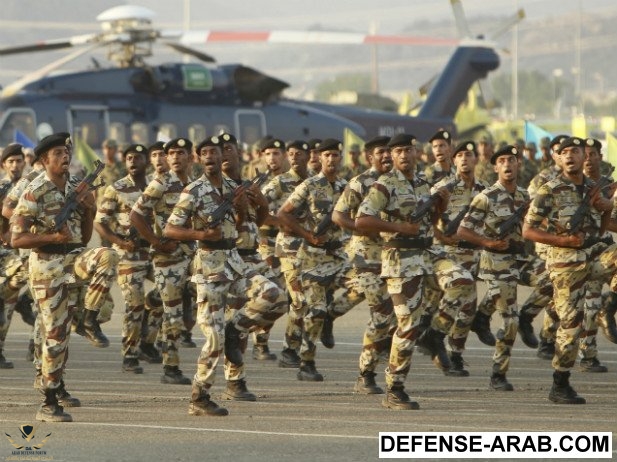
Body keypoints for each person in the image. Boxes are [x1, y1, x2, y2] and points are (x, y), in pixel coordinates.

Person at [164, 135, 284, 414]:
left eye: (214, 152)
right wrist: (201, 234)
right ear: (198, 158)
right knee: (213, 340)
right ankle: (199, 396)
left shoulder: (233, 188)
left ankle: (235, 330)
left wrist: (244, 210)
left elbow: (248, 223)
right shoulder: (193, 191)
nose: (209, 156)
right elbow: (170, 229)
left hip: (235, 262)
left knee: (274, 296)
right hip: (209, 268)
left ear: (222, 157)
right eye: (204, 152)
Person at [11, 133, 118, 422]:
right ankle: (48, 400)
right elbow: (17, 238)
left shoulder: (76, 187)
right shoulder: (34, 191)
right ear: (44, 160)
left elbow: (84, 237)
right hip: (46, 267)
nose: (65, 156)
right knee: (56, 336)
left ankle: (89, 319)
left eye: (66, 152)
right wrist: (52, 237)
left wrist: (89, 209)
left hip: (73, 258)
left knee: (107, 256)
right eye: (57, 153)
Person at [356, 133, 449, 410]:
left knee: (460, 285)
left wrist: (440, 207)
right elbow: (362, 219)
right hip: (399, 260)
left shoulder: (421, 184)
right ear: (392, 156)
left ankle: (433, 338)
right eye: (398, 151)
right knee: (407, 324)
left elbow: (429, 224)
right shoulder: (385, 184)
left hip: (424, 257)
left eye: (408, 150)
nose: (404, 155)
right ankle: (394, 388)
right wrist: (399, 228)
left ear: (416, 152)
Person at [523, 136, 617, 404]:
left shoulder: (593, 188)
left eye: (575, 151)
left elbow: (600, 229)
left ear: (584, 157)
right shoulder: (549, 190)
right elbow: (528, 230)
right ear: (559, 159)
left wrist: (606, 209)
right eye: (565, 152)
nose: (570, 156)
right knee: (572, 324)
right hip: (565, 263)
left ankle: (609, 306)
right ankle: (560, 382)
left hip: (593, 253)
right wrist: (563, 241)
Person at [277, 138, 360, 382]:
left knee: (365, 285)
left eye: (335, 155)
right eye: (327, 155)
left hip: (339, 256)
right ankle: (307, 362)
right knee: (315, 310)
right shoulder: (310, 185)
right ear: (320, 158)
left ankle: (332, 316)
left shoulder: (347, 187)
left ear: (340, 158)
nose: (331, 159)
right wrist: (307, 235)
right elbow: (283, 213)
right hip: (312, 259)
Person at [457, 145, 532, 391]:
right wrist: (488, 242)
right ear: (496, 167)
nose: (507, 164)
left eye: (511, 160)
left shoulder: (525, 196)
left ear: (518, 164)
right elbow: (463, 230)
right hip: (496, 263)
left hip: (520, 260)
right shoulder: (486, 197)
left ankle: (485, 315)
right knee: (510, 320)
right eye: (502, 161)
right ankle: (498, 374)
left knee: (552, 280)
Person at [130, 137, 196, 385]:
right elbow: (136, 215)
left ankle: (153, 300)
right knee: (173, 315)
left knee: (197, 302)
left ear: (191, 157)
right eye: (171, 153)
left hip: (192, 256)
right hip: (167, 258)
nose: (175, 157)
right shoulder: (161, 183)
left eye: (181, 153)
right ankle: (171, 367)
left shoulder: (196, 184)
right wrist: (156, 242)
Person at [332, 135, 394, 393]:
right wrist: (362, 229)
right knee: (382, 313)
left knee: (398, 314)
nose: (386, 156)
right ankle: (365, 374)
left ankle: (328, 314)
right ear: (370, 157)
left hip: (395, 257)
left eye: (389, 151)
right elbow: (338, 215)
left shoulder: (400, 182)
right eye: (381, 152)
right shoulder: (360, 182)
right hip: (366, 256)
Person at [94, 144, 164, 374]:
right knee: (134, 304)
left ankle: (147, 342)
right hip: (128, 254)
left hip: (154, 251)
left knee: (167, 292)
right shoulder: (116, 188)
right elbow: (100, 223)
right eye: (129, 158)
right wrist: (120, 242)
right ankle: (130, 354)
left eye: (138, 157)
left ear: (147, 161)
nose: (133, 161)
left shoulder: (157, 185)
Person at [221, 134, 287, 362]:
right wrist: (239, 212)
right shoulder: (213, 190)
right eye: (220, 150)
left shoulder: (244, 185)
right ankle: (235, 376)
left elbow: (254, 222)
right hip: (232, 258)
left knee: (280, 301)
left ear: (239, 153)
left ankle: (237, 330)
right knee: (240, 312)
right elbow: (224, 230)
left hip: (254, 255)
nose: (224, 154)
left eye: (229, 149)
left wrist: (261, 203)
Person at [430, 141, 488, 375]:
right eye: (460, 155)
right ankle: (435, 343)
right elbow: (428, 220)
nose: (464, 159)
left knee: (467, 310)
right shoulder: (442, 188)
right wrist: (441, 238)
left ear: (476, 159)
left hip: (473, 254)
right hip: (447, 255)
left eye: (468, 154)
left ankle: (455, 355)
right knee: (441, 306)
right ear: (453, 160)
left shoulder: (485, 190)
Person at [263, 140, 311, 368]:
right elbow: (257, 207)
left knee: (306, 301)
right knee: (298, 299)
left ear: (308, 156)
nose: (293, 157)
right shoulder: (280, 182)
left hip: (313, 249)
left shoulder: (316, 182)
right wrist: (279, 222)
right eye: (290, 154)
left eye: (298, 153)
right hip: (289, 249)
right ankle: (289, 350)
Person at [0, 143, 30, 368]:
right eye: (11, 161)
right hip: (3, 250)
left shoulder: (30, 187)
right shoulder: (1, 188)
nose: (15, 165)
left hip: (19, 251)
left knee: (8, 305)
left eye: (19, 161)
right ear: (3, 165)